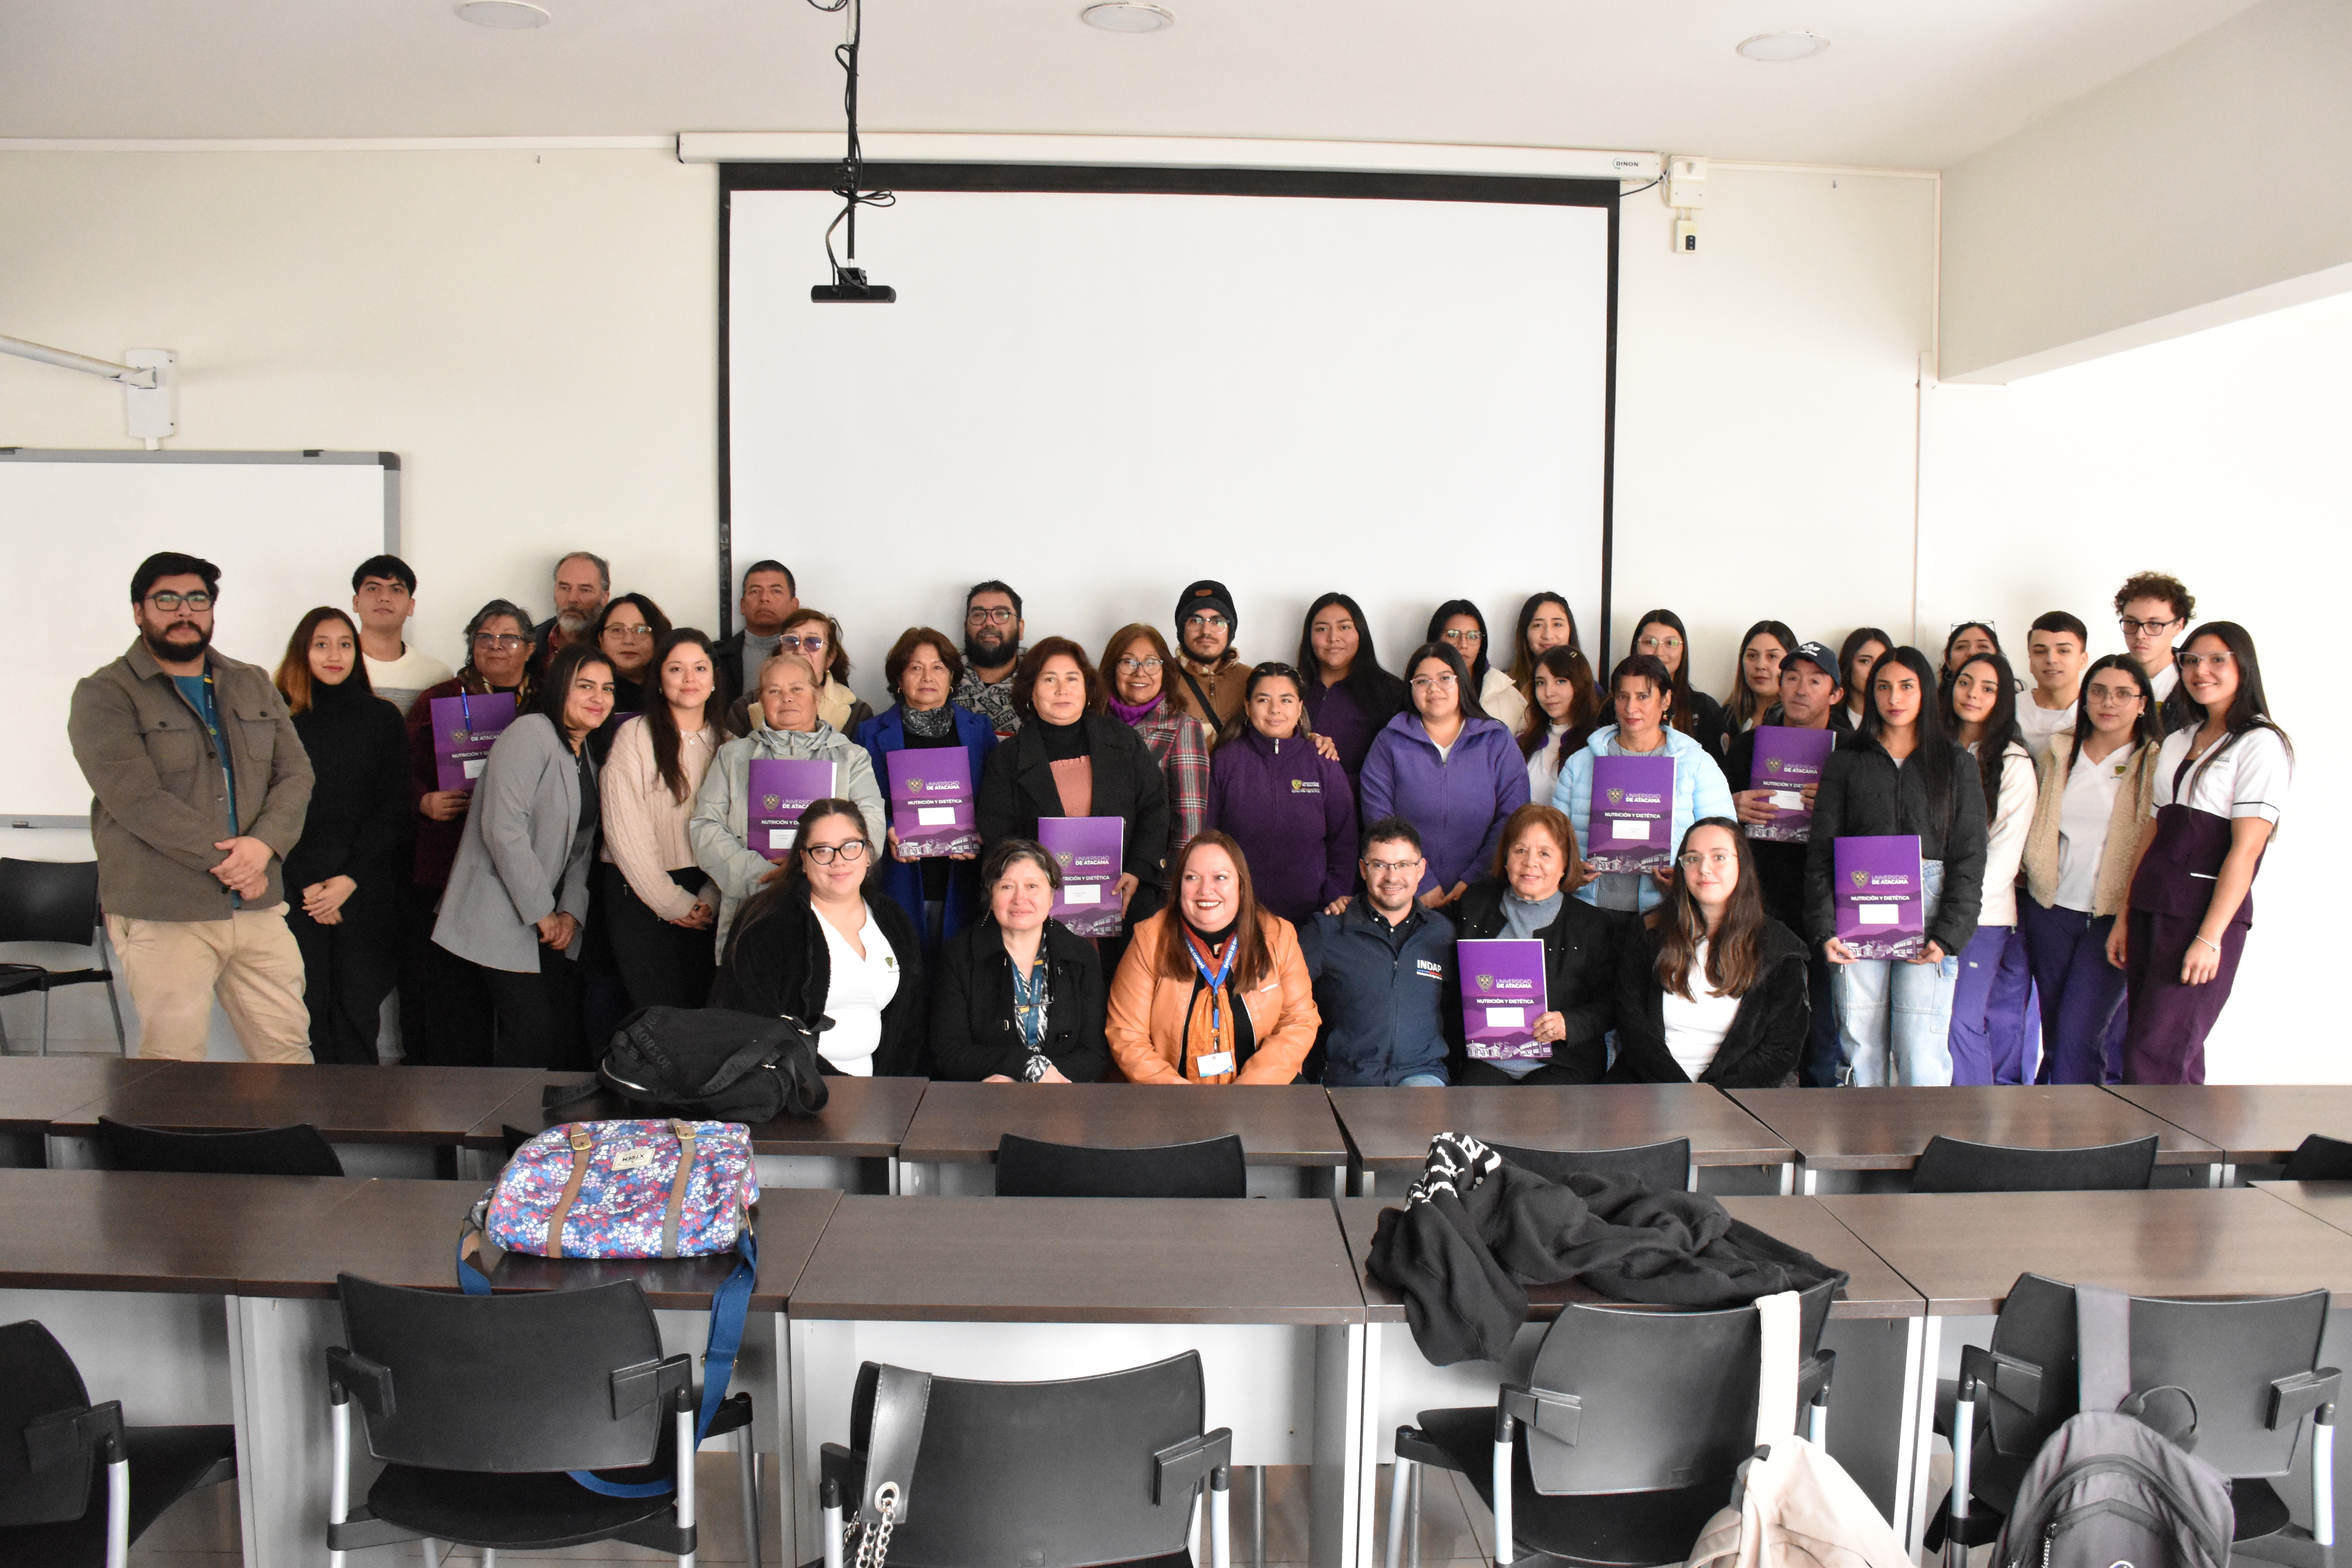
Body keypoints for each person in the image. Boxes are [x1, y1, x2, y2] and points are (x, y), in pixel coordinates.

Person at [68, 553, 315, 1063]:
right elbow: (137, 799)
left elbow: (296, 774)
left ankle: (277, 1149)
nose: (185, 611)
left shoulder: (250, 681)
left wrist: (263, 846)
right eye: (167, 600)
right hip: (164, 910)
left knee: (288, 1058)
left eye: (197, 599)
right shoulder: (104, 694)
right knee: (173, 1067)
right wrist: (235, 863)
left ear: (211, 610)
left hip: (257, 906)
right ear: (139, 611)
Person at [2109, 622, 2288, 1084]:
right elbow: (2152, 833)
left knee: (2155, 1055)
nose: (2199, 671)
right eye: (2189, 660)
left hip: (2202, 916)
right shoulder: (2176, 740)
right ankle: (2188, 1159)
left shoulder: (2261, 743)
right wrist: (2126, 915)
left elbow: (2247, 850)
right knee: (2162, 1053)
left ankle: (2153, 1157)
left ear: (2242, 666)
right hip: (2153, 904)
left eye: (2215, 660)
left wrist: (2211, 937)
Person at [1805, 646, 1987, 1086]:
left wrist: (1950, 935)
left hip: (1929, 911)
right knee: (1861, 1047)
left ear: (1925, 691)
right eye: (1883, 687)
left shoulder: (1956, 763)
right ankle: (1864, 1153)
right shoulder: (1847, 760)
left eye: (1907, 686)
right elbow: (1821, 853)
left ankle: (1921, 1154)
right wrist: (1825, 929)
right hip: (1857, 911)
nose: (1895, 697)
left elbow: (1970, 856)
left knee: (1920, 1051)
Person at [430, 642, 613, 1069]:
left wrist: (570, 912)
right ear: (559, 689)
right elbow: (503, 829)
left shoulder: (584, 752)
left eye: (607, 689)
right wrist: (543, 912)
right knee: (527, 1036)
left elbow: (582, 846)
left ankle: (527, 1133)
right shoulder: (531, 733)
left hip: (542, 920)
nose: (598, 698)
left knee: (549, 1039)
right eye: (585, 686)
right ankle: (504, 1135)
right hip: (496, 912)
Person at [400, 599, 537, 1065]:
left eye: (509, 638)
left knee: (525, 1015)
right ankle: (454, 1125)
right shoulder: (438, 698)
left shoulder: (545, 705)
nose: (496, 646)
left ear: (530, 647)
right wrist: (422, 799)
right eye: (485, 637)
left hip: (526, 877)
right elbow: (396, 771)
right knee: (452, 1010)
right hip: (449, 873)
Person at [273, 607, 406, 1066]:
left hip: (364, 888)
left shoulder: (382, 718)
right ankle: (310, 1125)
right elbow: (268, 808)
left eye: (345, 644)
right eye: (322, 644)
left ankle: (359, 1123)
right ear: (302, 652)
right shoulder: (278, 717)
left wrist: (348, 880)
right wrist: (311, 884)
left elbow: (394, 807)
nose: (335, 655)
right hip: (297, 888)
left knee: (358, 1009)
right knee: (305, 1010)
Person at [974, 638, 1173, 943]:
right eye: (1049, 680)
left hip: (1122, 900)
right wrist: (1029, 887)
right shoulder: (1008, 758)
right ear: (1031, 691)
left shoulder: (1123, 741)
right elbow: (998, 833)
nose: (1062, 689)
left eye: (1072, 679)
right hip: (1040, 910)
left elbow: (1154, 808)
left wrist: (1138, 870)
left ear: (1086, 688)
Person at [709, 799, 926, 1076]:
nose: (839, 861)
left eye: (850, 847)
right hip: (795, 1091)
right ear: (803, 860)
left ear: (868, 854)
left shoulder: (892, 919)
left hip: (879, 1095)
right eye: (823, 851)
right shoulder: (768, 924)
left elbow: (909, 1024)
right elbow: (751, 1027)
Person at [2020, 655, 2159, 1085]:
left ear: (2142, 703)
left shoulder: (2155, 761)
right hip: (2051, 910)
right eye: (2098, 691)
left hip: (2112, 918)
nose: (2108, 702)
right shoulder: (2061, 751)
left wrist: (2128, 914)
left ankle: (2079, 1140)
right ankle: (2056, 1131)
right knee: (2059, 1033)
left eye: (2122, 694)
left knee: (2082, 1034)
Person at [691, 651, 886, 947]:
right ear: (760, 702)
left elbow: (871, 829)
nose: (787, 698)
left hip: (830, 909)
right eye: (774, 691)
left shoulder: (852, 758)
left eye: (797, 689)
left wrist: (813, 870)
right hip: (752, 904)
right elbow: (706, 827)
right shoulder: (732, 757)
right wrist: (763, 874)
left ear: (817, 696)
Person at [1723, 640, 1850, 1087]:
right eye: (1792, 677)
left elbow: (1872, 826)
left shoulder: (1851, 752)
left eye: (1816, 680)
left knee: (1824, 1012)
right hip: (1762, 899)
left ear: (1836, 694)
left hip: (1828, 902)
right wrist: (1733, 804)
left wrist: (1837, 806)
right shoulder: (1748, 747)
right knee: (1757, 1010)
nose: (1801, 689)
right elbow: (1713, 819)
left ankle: (1819, 1104)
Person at [1608, 819, 1810, 1086]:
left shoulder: (1782, 949)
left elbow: (1780, 1051)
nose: (1704, 869)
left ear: (1743, 865)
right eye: (1693, 858)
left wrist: (1709, 1098)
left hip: (1738, 1099)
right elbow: (1633, 1027)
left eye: (1719, 857)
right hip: (1649, 1091)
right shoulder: (1648, 933)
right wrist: (1679, 1093)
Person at [1106, 831, 1319, 1083]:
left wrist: (1251, 1090)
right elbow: (1127, 1036)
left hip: (1263, 1092)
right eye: (1192, 878)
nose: (1206, 890)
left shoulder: (1279, 935)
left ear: (1241, 885)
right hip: (1171, 1099)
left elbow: (1299, 1020)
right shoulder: (1148, 940)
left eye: (1220, 878)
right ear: (1179, 886)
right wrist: (1184, 1100)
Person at [597, 629, 726, 1013]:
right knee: (659, 1016)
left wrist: (710, 896)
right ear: (660, 679)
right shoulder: (634, 737)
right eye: (676, 669)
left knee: (703, 1014)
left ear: (714, 678)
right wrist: (672, 901)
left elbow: (736, 834)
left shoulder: (731, 743)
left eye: (700, 668)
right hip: (640, 894)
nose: (690, 679)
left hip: (708, 898)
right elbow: (625, 832)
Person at [1447, 803, 1619, 1084]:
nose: (1530, 863)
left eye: (1545, 853)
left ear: (1565, 863)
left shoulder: (1591, 924)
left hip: (1562, 1061)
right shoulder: (1475, 904)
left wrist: (1569, 1023)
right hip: (1486, 1059)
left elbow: (1613, 1002)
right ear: (1506, 859)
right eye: (1520, 851)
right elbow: (1423, 928)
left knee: (1545, 1125)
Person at [1553, 654, 1736, 917]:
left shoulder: (1697, 765)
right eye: (1622, 696)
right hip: (1590, 908)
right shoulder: (1581, 763)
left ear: (1666, 700)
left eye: (1643, 696)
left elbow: (1726, 844)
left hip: (1663, 912)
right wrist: (1570, 872)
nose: (1630, 708)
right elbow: (1556, 840)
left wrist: (1685, 882)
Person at [855, 626, 998, 956]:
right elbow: (856, 803)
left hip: (963, 873)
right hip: (898, 875)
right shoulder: (869, 734)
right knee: (905, 975)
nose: (927, 677)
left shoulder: (979, 732)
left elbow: (996, 797)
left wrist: (980, 831)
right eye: (915, 668)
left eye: (938, 667)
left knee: (957, 975)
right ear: (899, 679)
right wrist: (888, 826)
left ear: (952, 676)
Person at [1360, 642, 1530, 909]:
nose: (1434, 688)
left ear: (1462, 683)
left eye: (1445, 679)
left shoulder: (1496, 740)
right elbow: (1378, 817)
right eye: (1422, 681)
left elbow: (1513, 817)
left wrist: (1473, 881)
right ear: (1411, 689)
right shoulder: (1389, 742)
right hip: (1406, 893)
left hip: (1484, 894)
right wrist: (1421, 880)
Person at [927, 838, 1110, 1083]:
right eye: (1007, 887)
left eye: (1032, 886)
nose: (1020, 899)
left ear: (1052, 895)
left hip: (1063, 1099)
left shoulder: (1081, 955)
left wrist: (1047, 1080)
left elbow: (1095, 1052)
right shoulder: (959, 956)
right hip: (987, 1101)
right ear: (991, 896)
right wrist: (1024, 1068)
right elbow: (948, 1052)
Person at [1298, 817, 1456, 1087]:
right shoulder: (1327, 930)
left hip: (1421, 1075)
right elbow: (1282, 1002)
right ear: (1363, 869)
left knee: (1420, 1125)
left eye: (1404, 865)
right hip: (1347, 1079)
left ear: (1421, 870)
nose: (1392, 877)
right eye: (1380, 865)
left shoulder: (1442, 933)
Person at [1943, 652, 2040, 1085]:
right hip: (1926, 912)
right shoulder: (1935, 750)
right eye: (1966, 682)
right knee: (1932, 1026)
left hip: (1980, 917)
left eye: (1988, 688)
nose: (1973, 694)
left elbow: (2004, 857)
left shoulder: (2015, 763)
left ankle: (1977, 1138)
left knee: (1961, 1023)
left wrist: (1958, 911)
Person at [1204, 663, 1356, 924]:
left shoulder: (1323, 762)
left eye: (1286, 700)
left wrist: (1332, 900)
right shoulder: (1225, 762)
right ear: (1248, 705)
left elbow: (1345, 842)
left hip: (1311, 918)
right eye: (1263, 700)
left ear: (1299, 707)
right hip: (1236, 915)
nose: (1275, 710)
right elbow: (1208, 839)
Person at [1100, 622, 1210, 867]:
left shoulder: (1184, 728)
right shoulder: (1090, 724)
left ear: (1165, 671)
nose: (1140, 672)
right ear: (1111, 669)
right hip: (1091, 870)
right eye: (1128, 662)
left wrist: (1172, 895)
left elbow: (1189, 826)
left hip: (1152, 878)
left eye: (1152, 663)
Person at [1297, 592, 1408, 788]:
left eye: (1345, 627)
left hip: (1362, 807)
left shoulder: (1391, 692)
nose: (1333, 638)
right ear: (1309, 637)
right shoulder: (1291, 688)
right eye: (1322, 629)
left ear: (1361, 633)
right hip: (1297, 804)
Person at [349, 555, 452, 716]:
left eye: (396, 590)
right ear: (356, 603)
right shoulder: (334, 666)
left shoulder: (437, 676)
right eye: (373, 589)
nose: (384, 597)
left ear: (411, 606)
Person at [1628, 609, 1729, 759]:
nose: (1659, 652)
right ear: (1636, 646)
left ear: (1684, 650)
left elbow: (1717, 773)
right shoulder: (1616, 705)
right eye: (1650, 642)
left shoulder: (1705, 709)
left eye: (1671, 643)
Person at [1520, 646, 1604, 808]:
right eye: (1541, 683)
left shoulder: (1598, 745)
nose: (1549, 692)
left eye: (1561, 681)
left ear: (1580, 684)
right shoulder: (1523, 743)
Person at [2114, 571, 2198, 732]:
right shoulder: (2108, 673)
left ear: (2179, 626)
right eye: (2131, 622)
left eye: (2154, 624)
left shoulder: (2197, 679)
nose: (2140, 635)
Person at [713, 559, 800, 710]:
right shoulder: (714, 656)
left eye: (776, 591)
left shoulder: (811, 653)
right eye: (755, 591)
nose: (765, 598)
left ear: (795, 605)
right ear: (742, 606)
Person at [1166, 579, 1249, 735]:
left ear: (1230, 631)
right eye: (1196, 621)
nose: (1206, 631)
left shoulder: (1252, 681)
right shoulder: (1161, 678)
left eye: (1218, 621)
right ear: (1182, 629)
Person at [1427, 599, 1522, 732]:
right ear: (1436, 638)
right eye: (1453, 635)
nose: (1463, 645)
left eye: (1473, 636)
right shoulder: (1421, 688)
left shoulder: (1505, 693)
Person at [777, 608, 873, 735]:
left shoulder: (857, 713)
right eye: (791, 641)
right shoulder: (748, 705)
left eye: (812, 642)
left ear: (830, 658)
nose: (800, 651)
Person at [953, 580, 1026, 738]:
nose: (989, 623)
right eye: (979, 615)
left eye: (1001, 614)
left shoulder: (1043, 673)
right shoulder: (941, 671)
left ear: (1020, 628)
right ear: (966, 627)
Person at [592, 593, 672, 723]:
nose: (629, 640)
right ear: (601, 638)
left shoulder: (673, 691)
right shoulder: (585, 695)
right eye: (617, 630)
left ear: (657, 637)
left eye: (641, 630)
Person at [2020, 612, 2089, 760]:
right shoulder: (2011, 710)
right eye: (2040, 652)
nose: (2051, 659)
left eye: (2063, 651)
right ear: (2030, 661)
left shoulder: (2097, 711)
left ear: (2083, 660)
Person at [530, 550, 610, 673]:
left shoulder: (615, 648)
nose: (572, 599)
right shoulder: (531, 645)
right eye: (565, 588)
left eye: (585, 590)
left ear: (605, 598)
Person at [1723, 620, 1798, 746]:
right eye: (1752, 656)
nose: (1760, 666)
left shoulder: (1800, 720)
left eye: (1772, 656)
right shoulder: (1727, 717)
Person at [1835, 627, 1893, 732]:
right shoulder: (1830, 720)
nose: (1873, 670)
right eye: (1865, 661)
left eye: (1881, 661)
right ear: (1848, 664)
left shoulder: (1898, 719)